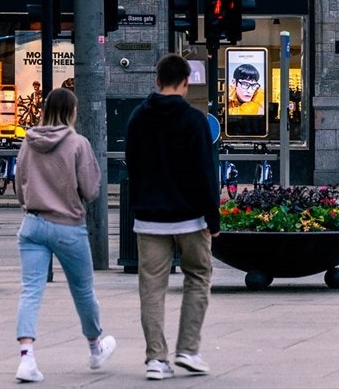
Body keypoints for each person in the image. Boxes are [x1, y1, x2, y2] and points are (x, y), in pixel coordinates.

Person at [125, 54, 219, 381]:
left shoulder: (138, 117)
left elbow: (132, 165)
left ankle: (156, 358)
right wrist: (213, 217)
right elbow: (205, 173)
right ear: (185, 82)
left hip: (149, 216)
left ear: (157, 80)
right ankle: (188, 350)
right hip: (190, 216)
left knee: (152, 287)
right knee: (198, 276)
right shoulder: (194, 120)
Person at [14, 87, 116, 383]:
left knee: (31, 291)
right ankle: (95, 348)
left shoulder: (28, 142)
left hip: (32, 224)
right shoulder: (77, 143)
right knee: (83, 290)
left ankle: (26, 358)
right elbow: (92, 190)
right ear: (72, 111)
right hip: (68, 225)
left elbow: (20, 186)